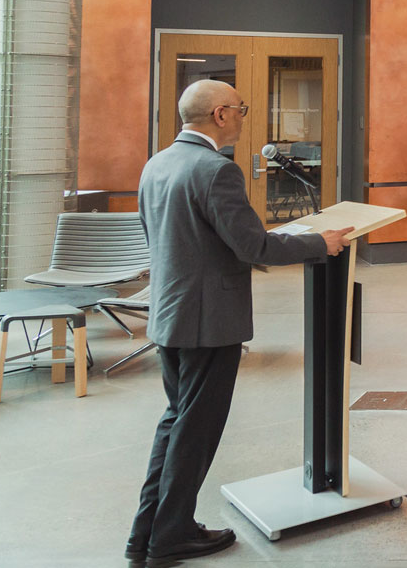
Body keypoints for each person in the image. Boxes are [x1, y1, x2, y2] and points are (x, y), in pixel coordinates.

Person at [128, 80, 351, 567]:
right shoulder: (216, 171)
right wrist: (321, 244)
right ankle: (168, 539)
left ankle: (148, 533)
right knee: (195, 431)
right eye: (242, 110)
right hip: (209, 322)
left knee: (176, 423)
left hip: (171, 314)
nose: (246, 118)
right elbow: (253, 247)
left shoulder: (157, 164)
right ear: (222, 114)